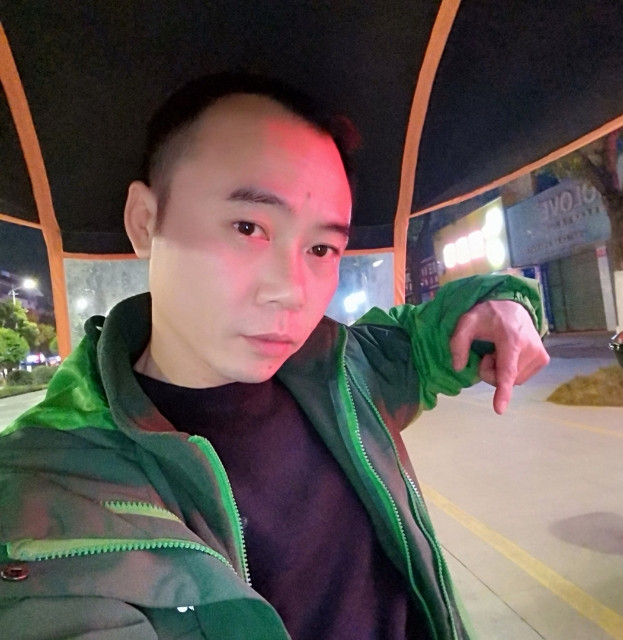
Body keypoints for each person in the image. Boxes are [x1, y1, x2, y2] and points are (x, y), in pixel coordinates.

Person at [0, 73, 549, 639]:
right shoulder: (45, 491)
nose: (291, 290)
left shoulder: (344, 371)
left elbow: (435, 334)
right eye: (249, 227)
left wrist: (507, 304)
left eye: (321, 248)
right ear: (145, 221)